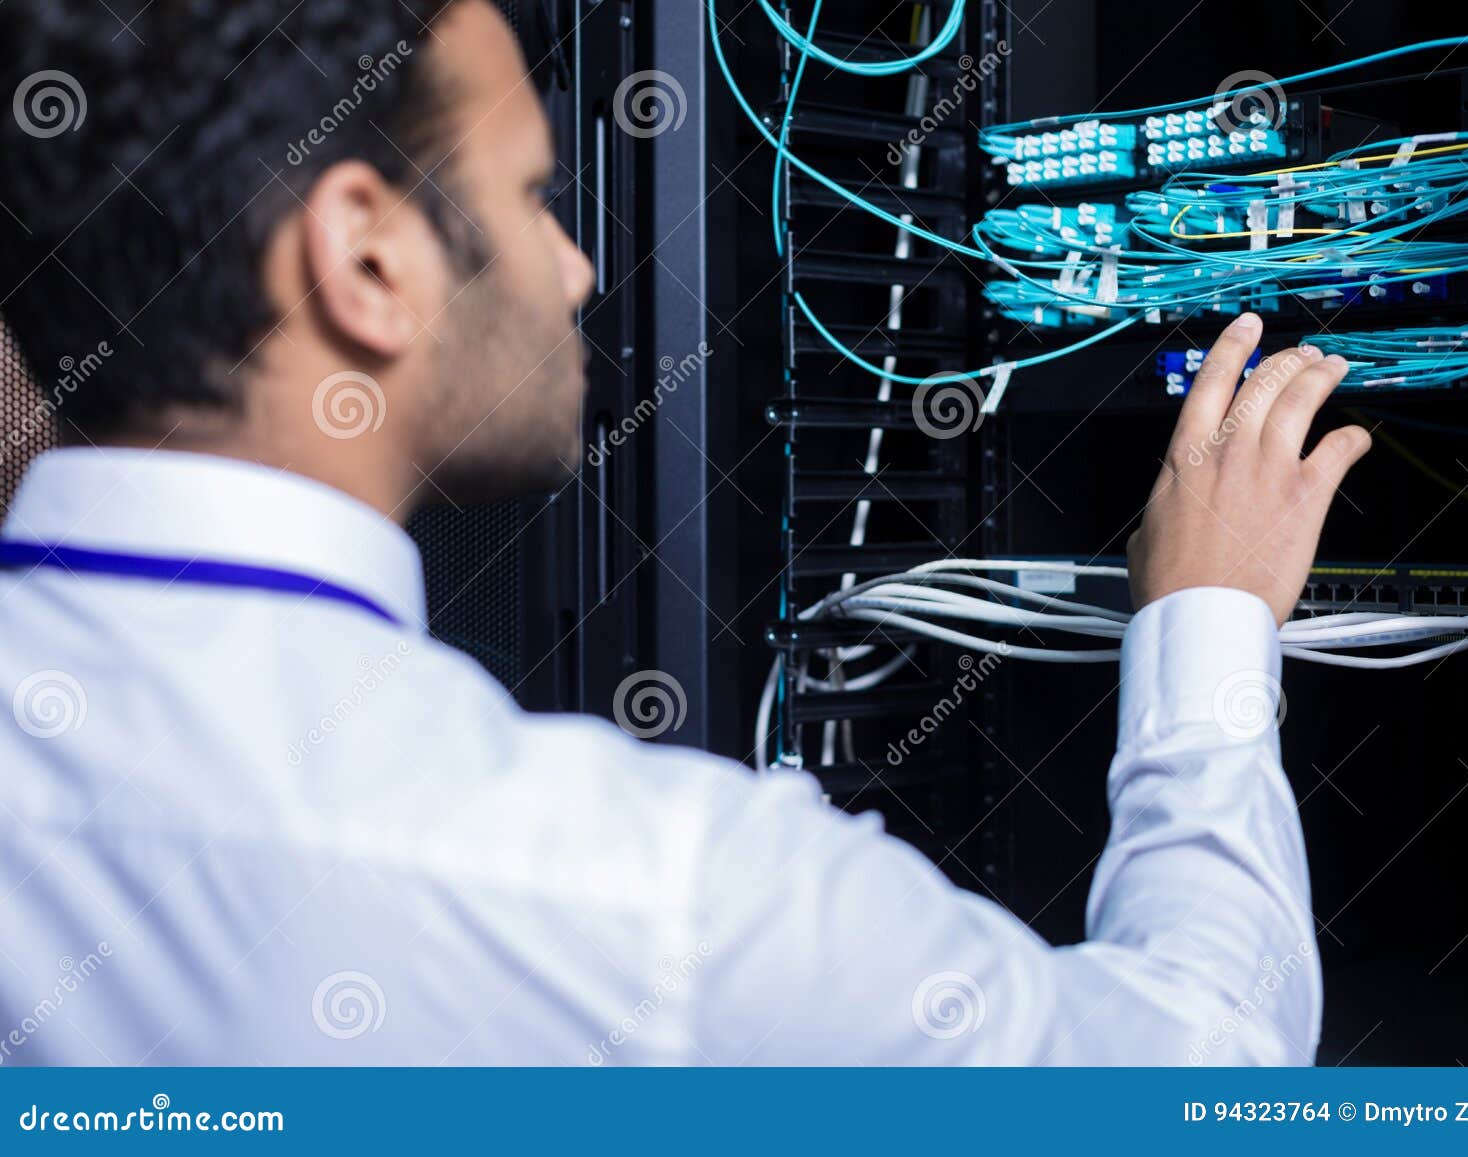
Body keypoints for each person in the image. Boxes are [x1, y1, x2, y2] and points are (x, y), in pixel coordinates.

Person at [0, 0, 1371, 1065]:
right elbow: (1209, 1080)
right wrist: (1207, 622)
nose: (577, 267)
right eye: (534, 197)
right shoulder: (649, 899)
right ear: (366, 258)